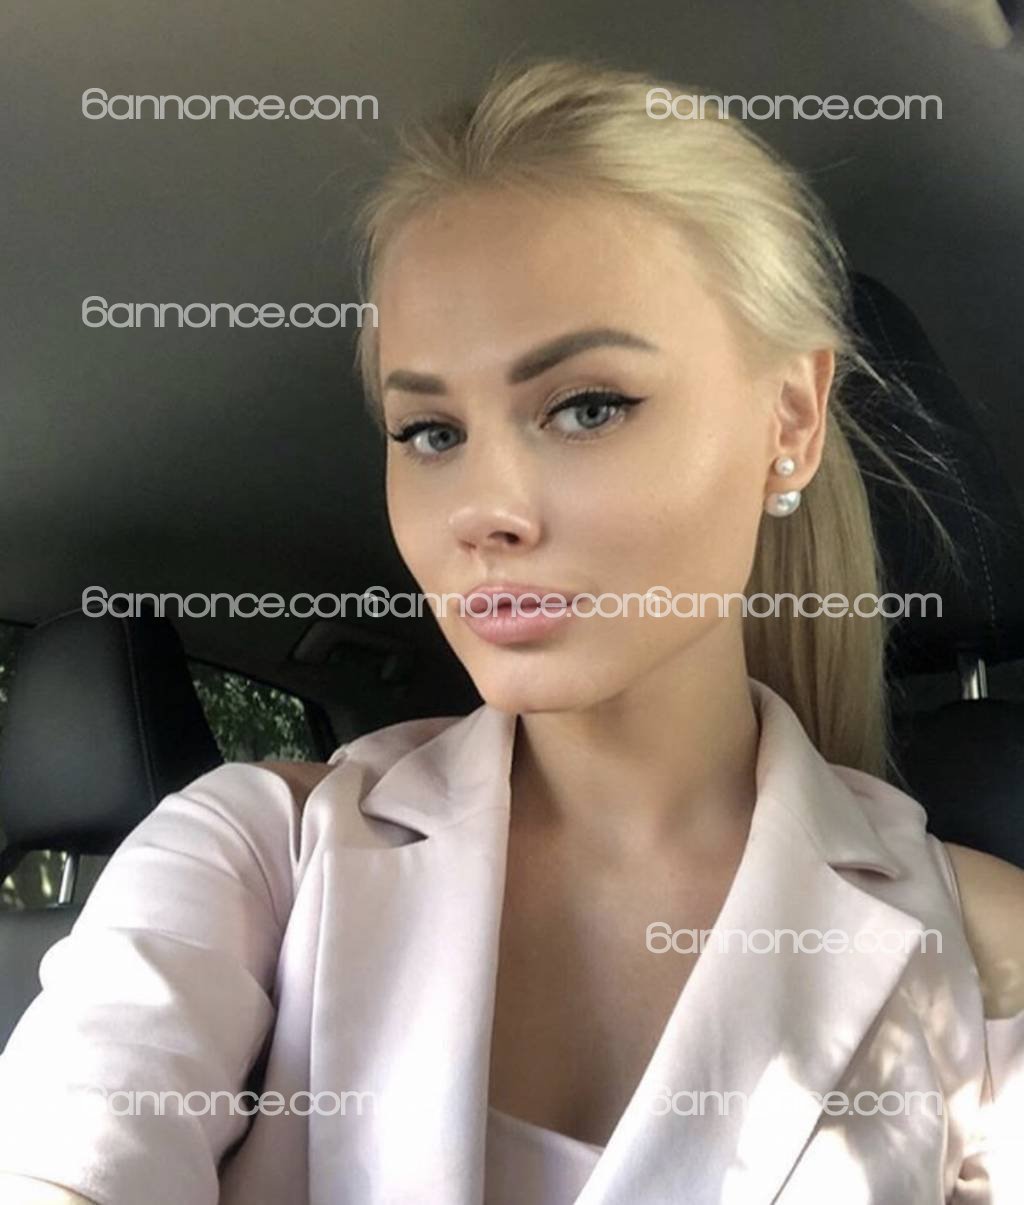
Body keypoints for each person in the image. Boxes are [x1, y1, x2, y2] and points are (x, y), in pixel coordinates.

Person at [1, 57, 1021, 1204]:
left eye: (586, 406)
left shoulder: (979, 948)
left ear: (787, 420)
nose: (484, 510)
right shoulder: (254, 859)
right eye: (430, 431)